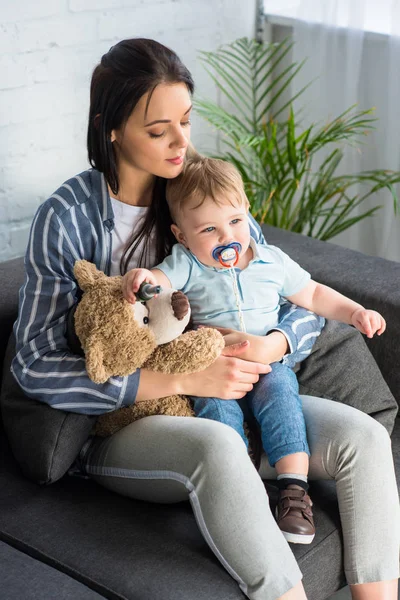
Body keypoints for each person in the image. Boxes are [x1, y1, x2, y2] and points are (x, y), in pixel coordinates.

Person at [11, 38, 399, 600]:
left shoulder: (204, 190)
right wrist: (181, 381)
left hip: (239, 391)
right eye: (157, 129)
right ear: (112, 129)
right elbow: (34, 366)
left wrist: (274, 344)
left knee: (363, 437)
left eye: (186, 122)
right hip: (134, 423)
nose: (180, 143)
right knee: (218, 448)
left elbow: (289, 289)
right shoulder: (67, 217)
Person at [121, 156, 387, 545]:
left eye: (234, 222)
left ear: (247, 213)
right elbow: (159, 280)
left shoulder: (270, 261)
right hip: (214, 370)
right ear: (182, 235)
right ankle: (242, 489)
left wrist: (355, 312)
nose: (226, 236)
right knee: (215, 413)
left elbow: (312, 294)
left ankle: (294, 491)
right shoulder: (188, 264)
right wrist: (143, 277)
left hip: (268, 366)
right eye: (208, 229)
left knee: (282, 398)